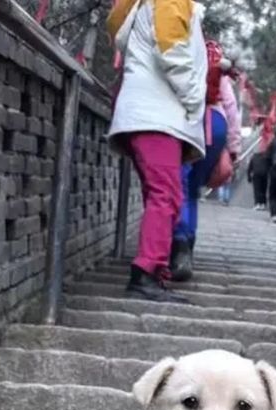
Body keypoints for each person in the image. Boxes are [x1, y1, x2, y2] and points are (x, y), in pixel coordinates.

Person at [107, 0, 207, 302]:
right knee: (166, 195)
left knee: (164, 195)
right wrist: (193, 101)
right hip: (157, 114)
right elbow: (172, 50)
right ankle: (145, 273)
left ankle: (152, 271)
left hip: (148, 112)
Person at [170, 44, 242, 281]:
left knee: (179, 185)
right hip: (217, 122)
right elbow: (231, 107)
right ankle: (187, 248)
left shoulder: (182, 54)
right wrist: (233, 148)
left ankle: (179, 244)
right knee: (191, 190)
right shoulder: (216, 65)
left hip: (190, 119)